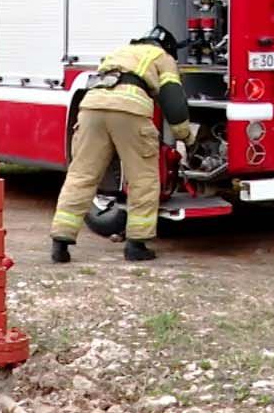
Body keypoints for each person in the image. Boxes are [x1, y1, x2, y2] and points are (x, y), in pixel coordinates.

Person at [50, 26, 194, 264]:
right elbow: (173, 99)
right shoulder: (163, 58)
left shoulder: (120, 52)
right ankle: (136, 245)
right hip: (130, 111)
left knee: (82, 174)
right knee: (143, 179)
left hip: (91, 107)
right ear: (167, 48)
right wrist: (185, 136)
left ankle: (60, 242)